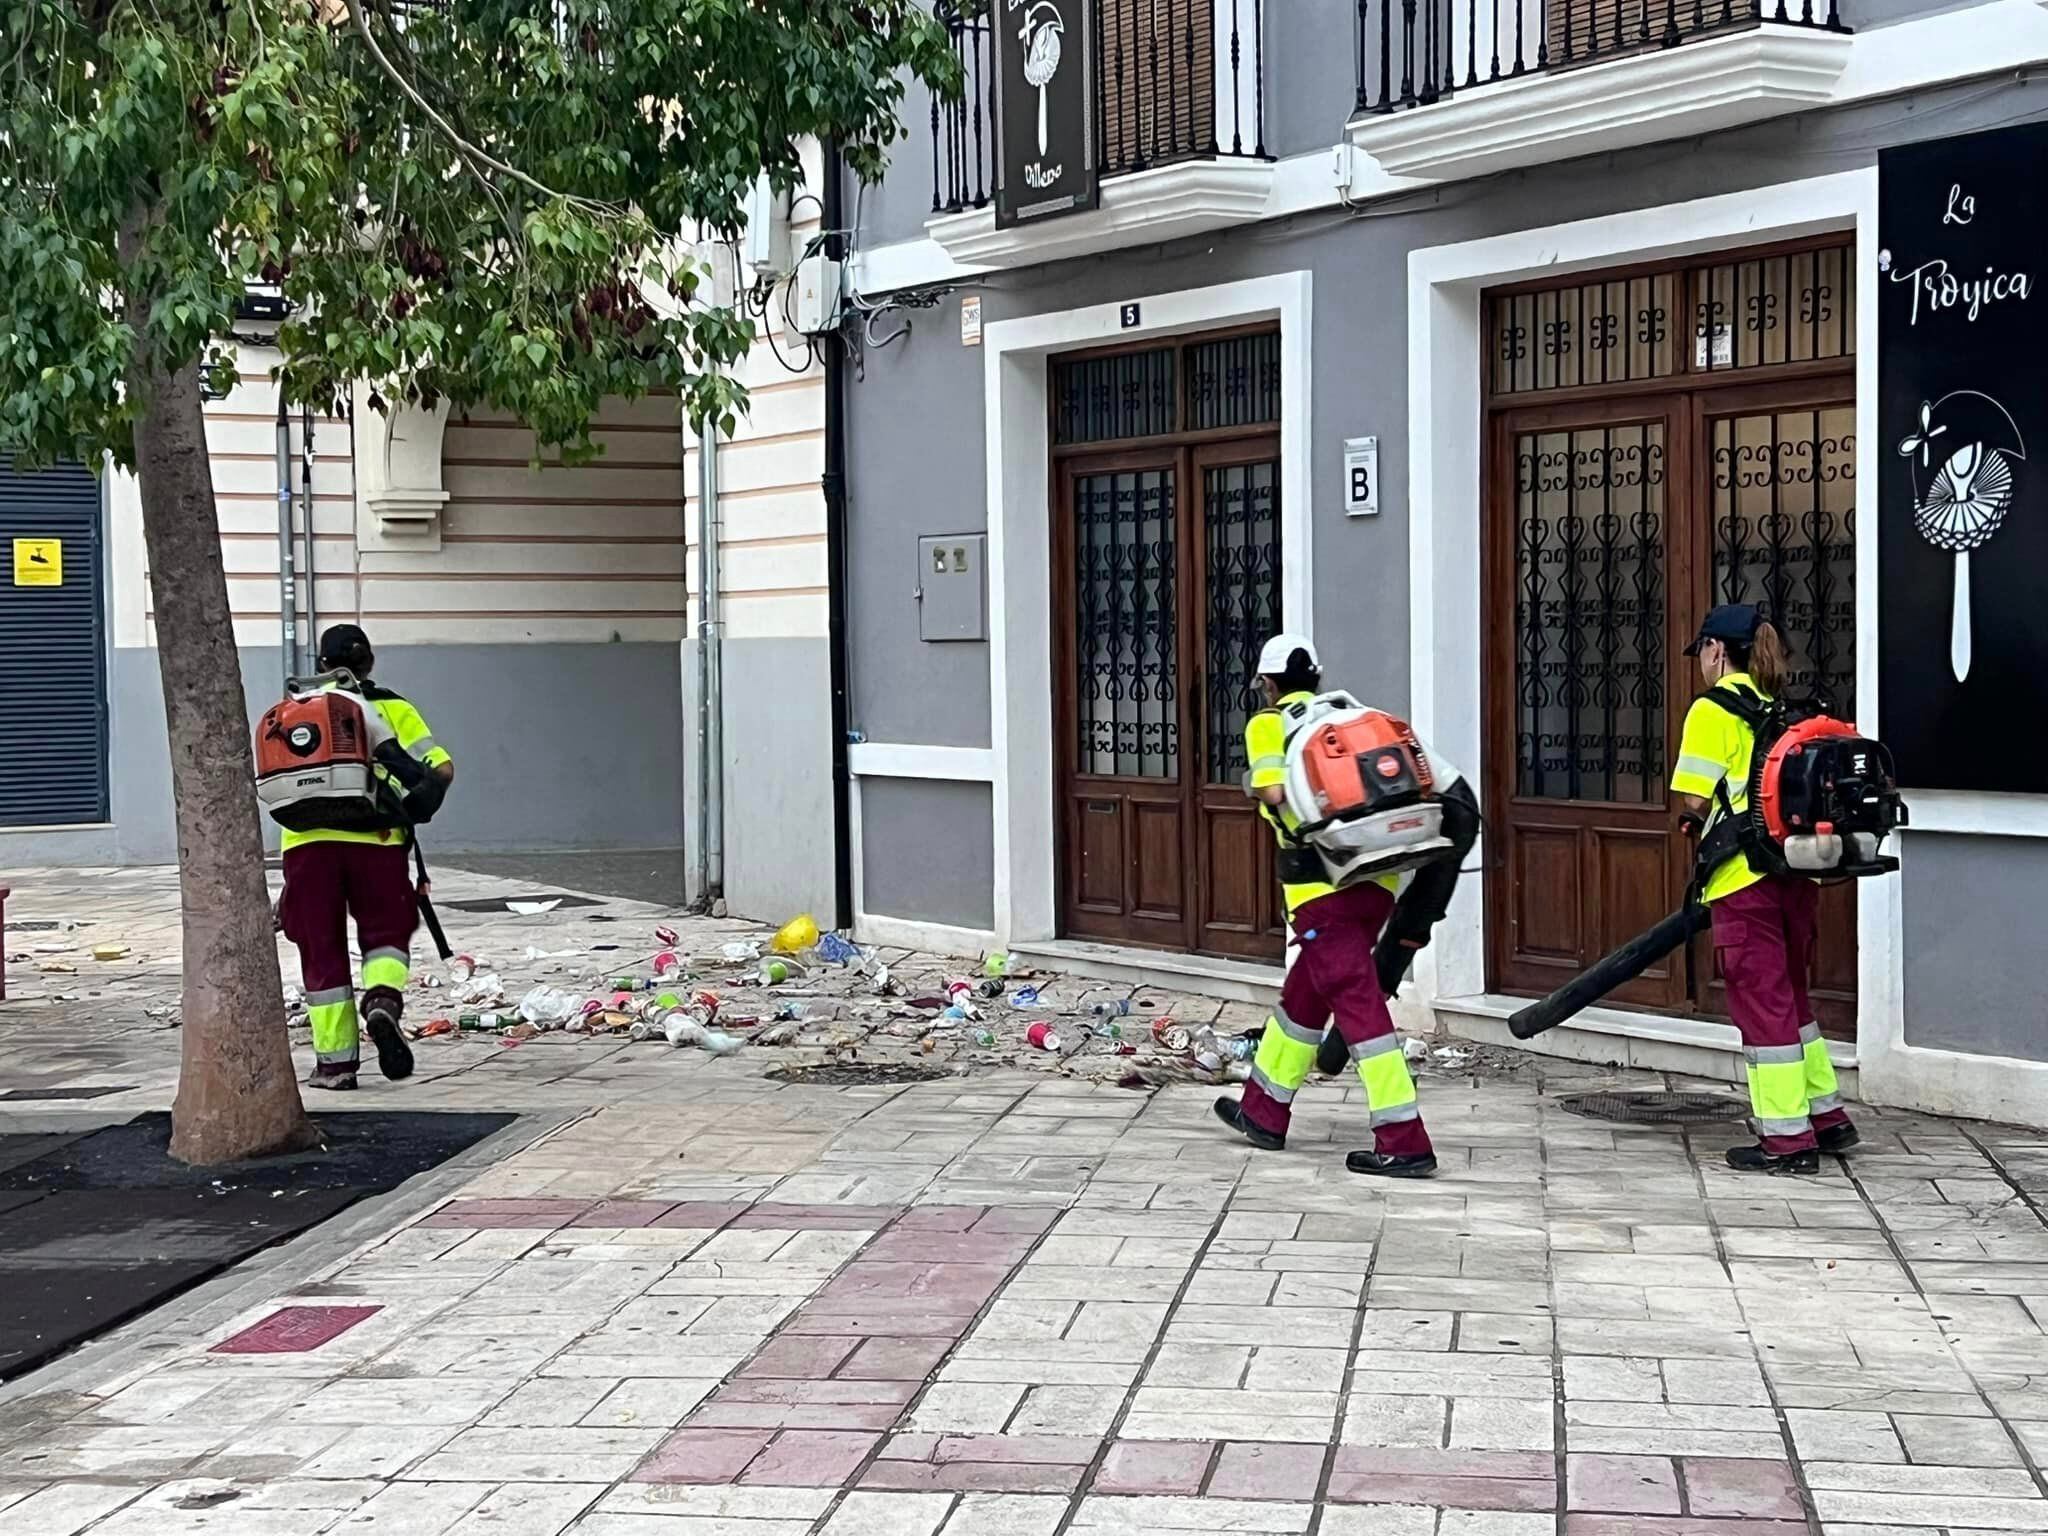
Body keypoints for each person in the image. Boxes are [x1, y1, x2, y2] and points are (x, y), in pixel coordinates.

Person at [1211, 634, 1476, 1179]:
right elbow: (1446, 789)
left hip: (1318, 895)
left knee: (1360, 1010)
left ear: (1267, 684)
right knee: (1303, 999)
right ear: (1318, 676)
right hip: (1375, 881)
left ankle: (1404, 1140)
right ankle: (1263, 1110)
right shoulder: (1361, 715)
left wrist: (1261, 786)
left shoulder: (1270, 724)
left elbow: (1271, 791)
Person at [1673, 603, 1856, 1174]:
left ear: (1717, 651)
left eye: (1702, 652)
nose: (1701, 663)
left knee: (1763, 1005)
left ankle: (1786, 1140)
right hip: (1793, 871)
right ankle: (1827, 1118)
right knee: (1794, 1000)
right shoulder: (1781, 709)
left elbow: (1693, 800)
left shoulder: (1712, 708)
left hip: (1742, 878)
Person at [278, 623, 454, 1091]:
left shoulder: (295, 708)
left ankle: (335, 1067)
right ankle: (382, 1001)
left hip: (307, 846)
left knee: (321, 950)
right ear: (369, 661)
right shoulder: (392, 707)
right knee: (385, 936)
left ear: (320, 664)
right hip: (377, 837)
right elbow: (440, 770)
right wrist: (414, 804)